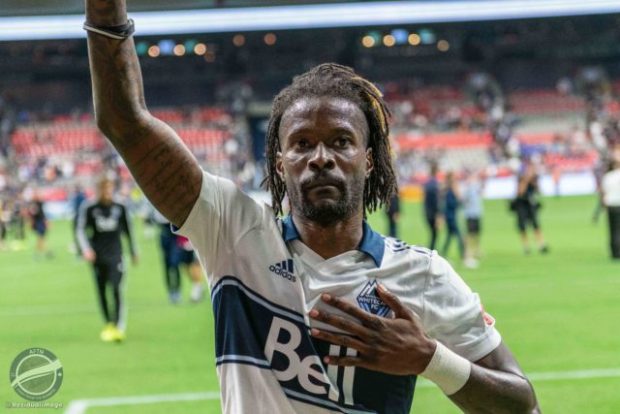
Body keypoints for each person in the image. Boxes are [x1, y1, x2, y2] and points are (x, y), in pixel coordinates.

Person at [85, 2, 539, 412]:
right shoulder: (232, 233)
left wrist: (430, 360)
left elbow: (524, 406)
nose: (321, 157)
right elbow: (124, 120)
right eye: (302, 144)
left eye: (341, 141)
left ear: (369, 159)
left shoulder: (422, 275)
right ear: (279, 163)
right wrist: (105, 9)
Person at [76, 176, 138, 342]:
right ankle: (108, 323)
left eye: (109, 188)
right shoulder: (89, 207)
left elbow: (129, 230)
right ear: (98, 190)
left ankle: (118, 325)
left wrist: (133, 251)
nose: (107, 192)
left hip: (116, 254)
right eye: (103, 189)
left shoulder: (120, 206)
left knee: (116, 287)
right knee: (101, 289)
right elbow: (80, 229)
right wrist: (86, 249)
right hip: (97, 255)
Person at [512, 163, 549, 255]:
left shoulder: (534, 179)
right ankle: (526, 246)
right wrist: (526, 180)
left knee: (536, 225)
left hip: (531, 204)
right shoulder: (521, 178)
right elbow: (520, 192)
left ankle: (541, 245)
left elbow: (539, 191)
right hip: (521, 204)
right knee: (522, 226)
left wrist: (533, 182)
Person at [463, 170, 484, 268]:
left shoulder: (476, 187)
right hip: (470, 214)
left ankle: (476, 251)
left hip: (476, 213)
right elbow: (464, 200)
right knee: (469, 234)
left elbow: (482, 189)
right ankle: (468, 254)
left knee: (476, 233)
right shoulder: (467, 189)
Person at [441, 172, 465, 260]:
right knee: (459, 236)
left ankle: (443, 253)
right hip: (451, 217)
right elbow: (452, 204)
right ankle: (463, 254)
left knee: (449, 236)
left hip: (450, 216)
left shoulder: (447, 192)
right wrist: (458, 198)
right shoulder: (450, 193)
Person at [601, 148, 620, 259]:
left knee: (612, 229)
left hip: (610, 204)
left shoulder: (608, 176)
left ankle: (614, 251)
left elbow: (603, 192)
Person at [423, 162, 442, 250]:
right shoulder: (435, 184)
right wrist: (438, 215)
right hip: (433, 213)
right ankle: (431, 250)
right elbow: (436, 202)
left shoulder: (427, 183)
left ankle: (431, 249)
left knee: (433, 234)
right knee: (434, 234)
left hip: (427, 211)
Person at [29, 193, 52, 259]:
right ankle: (43, 252)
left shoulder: (39, 204)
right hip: (38, 223)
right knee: (41, 238)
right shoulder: (35, 204)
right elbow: (33, 214)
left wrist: (46, 222)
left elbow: (42, 215)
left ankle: (42, 252)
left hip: (41, 223)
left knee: (41, 238)